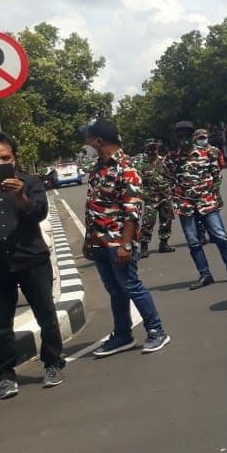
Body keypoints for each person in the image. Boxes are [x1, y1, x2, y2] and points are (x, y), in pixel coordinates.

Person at [80, 120, 170, 357]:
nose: (87, 144)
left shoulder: (126, 167)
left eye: (89, 139)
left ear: (98, 141)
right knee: (115, 290)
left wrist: (126, 244)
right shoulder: (98, 167)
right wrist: (89, 240)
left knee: (131, 285)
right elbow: (93, 206)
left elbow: (132, 211)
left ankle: (156, 330)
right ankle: (122, 335)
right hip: (99, 241)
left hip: (118, 241)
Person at [0, 132, 66, 398]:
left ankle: (52, 363)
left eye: (5, 157)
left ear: (15, 159)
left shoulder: (31, 182)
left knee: (46, 315)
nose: (1, 162)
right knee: (1, 325)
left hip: (32, 259)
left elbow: (39, 213)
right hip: (0, 266)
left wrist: (21, 196)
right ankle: (4, 374)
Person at [166, 121, 227, 290]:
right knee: (193, 241)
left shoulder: (207, 154)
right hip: (186, 205)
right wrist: (174, 202)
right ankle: (205, 274)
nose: (183, 138)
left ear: (192, 136)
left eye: (186, 134)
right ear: (176, 137)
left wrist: (215, 197)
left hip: (207, 202)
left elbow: (215, 176)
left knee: (220, 236)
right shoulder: (171, 158)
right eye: (180, 135)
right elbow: (169, 180)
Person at [137, 138, 175, 258]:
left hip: (165, 196)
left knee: (166, 221)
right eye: (150, 148)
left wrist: (171, 191)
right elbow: (135, 181)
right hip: (150, 198)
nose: (153, 150)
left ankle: (164, 244)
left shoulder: (164, 161)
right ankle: (144, 247)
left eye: (155, 148)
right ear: (146, 149)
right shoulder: (140, 163)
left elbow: (172, 176)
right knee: (148, 223)